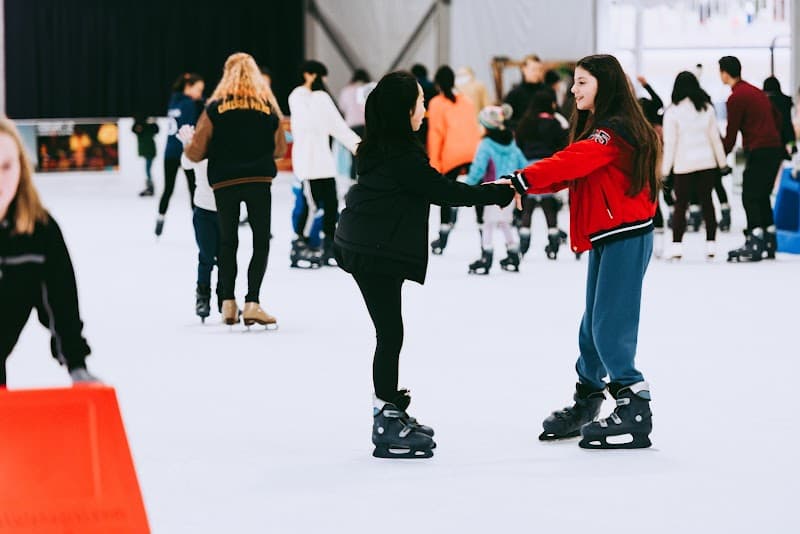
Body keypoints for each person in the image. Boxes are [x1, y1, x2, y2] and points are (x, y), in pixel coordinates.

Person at [333, 71, 514, 459]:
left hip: (370, 244)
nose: (425, 107)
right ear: (404, 110)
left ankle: (391, 407)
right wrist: (495, 194)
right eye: (419, 101)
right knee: (390, 333)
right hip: (371, 250)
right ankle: (385, 419)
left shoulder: (385, 145)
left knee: (391, 331)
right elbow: (442, 191)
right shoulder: (400, 154)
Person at [504, 54, 659, 449]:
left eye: (582, 83)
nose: (573, 90)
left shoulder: (613, 131)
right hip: (609, 234)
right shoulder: (600, 127)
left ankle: (634, 402)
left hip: (626, 234)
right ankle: (588, 398)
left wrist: (523, 179)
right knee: (591, 328)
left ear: (603, 86)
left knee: (610, 326)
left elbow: (574, 160)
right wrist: (525, 185)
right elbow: (573, 173)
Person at [182, 52, 286, 328]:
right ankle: (253, 302)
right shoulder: (267, 107)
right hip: (259, 181)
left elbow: (195, 153)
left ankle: (228, 303)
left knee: (228, 241)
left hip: (224, 182)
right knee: (261, 240)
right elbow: (279, 149)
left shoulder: (215, 108)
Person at [0, 118, 99, 387]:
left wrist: (77, 366)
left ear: (21, 167)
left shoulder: (40, 233)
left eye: (6, 166)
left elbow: (60, 304)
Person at [288, 60, 360, 267]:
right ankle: (300, 244)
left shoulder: (322, 98)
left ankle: (329, 246)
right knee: (311, 207)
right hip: (308, 165)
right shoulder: (297, 96)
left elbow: (338, 127)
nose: (324, 81)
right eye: (321, 75)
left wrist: (359, 146)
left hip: (325, 164)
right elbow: (307, 124)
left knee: (331, 206)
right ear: (309, 75)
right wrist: (320, 100)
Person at [719, 56, 784, 262]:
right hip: (774, 148)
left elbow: (731, 132)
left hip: (760, 149)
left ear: (724, 73)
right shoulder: (756, 91)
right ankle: (769, 238)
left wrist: (722, 155)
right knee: (762, 193)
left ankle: (755, 238)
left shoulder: (736, 97)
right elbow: (778, 118)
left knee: (749, 194)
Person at [661, 71, 728, 260]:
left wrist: (665, 171)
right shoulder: (706, 108)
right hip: (707, 163)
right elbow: (715, 139)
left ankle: (677, 247)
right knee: (707, 202)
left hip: (684, 165)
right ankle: (711, 246)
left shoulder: (672, 112)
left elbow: (670, 143)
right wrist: (722, 164)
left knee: (681, 205)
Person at [463, 104, 528, 274]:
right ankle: (513, 253)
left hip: (492, 190)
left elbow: (478, 168)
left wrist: (466, 186)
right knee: (505, 222)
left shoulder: (486, 144)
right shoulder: (511, 143)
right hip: (511, 191)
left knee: (488, 224)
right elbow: (523, 164)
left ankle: (486, 255)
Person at [426, 65, 481, 254]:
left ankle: (442, 238)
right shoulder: (466, 101)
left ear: (438, 84)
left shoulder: (436, 103)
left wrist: (435, 165)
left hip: (451, 155)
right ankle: (484, 238)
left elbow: (436, 135)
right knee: (478, 195)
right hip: (473, 152)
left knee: (445, 196)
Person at [514, 89, 570, 259]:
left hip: (528, 166)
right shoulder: (554, 124)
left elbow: (519, 143)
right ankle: (553, 241)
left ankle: (523, 241)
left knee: (528, 206)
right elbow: (562, 144)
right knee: (548, 205)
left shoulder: (525, 123)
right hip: (547, 166)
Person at [156, 73, 205, 237]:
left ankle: (160, 217)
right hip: (186, 152)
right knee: (194, 188)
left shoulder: (173, 101)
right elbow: (192, 127)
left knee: (168, 188)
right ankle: (199, 224)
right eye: (198, 90)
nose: (200, 94)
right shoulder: (189, 104)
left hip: (169, 152)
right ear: (188, 87)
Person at [339, 68, 371, 180]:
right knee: (368, 154)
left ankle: (353, 181)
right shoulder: (368, 89)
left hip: (352, 126)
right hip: (367, 126)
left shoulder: (346, 91)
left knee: (354, 156)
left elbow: (342, 108)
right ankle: (366, 178)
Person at [503, 54, 546, 128]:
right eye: (533, 69)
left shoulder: (546, 92)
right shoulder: (514, 94)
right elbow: (505, 118)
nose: (537, 73)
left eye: (539, 69)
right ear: (524, 69)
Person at [762, 76, 795, 155]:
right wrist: (792, 144)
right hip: (784, 138)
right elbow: (788, 124)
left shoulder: (763, 102)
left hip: (767, 140)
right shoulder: (786, 101)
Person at [132, 115, 159, 197]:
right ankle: (149, 186)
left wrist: (153, 123)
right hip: (147, 151)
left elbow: (156, 130)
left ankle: (150, 187)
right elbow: (134, 129)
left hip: (149, 151)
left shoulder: (148, 129)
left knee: (147, 169)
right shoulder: (142, 129)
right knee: (147, 170)